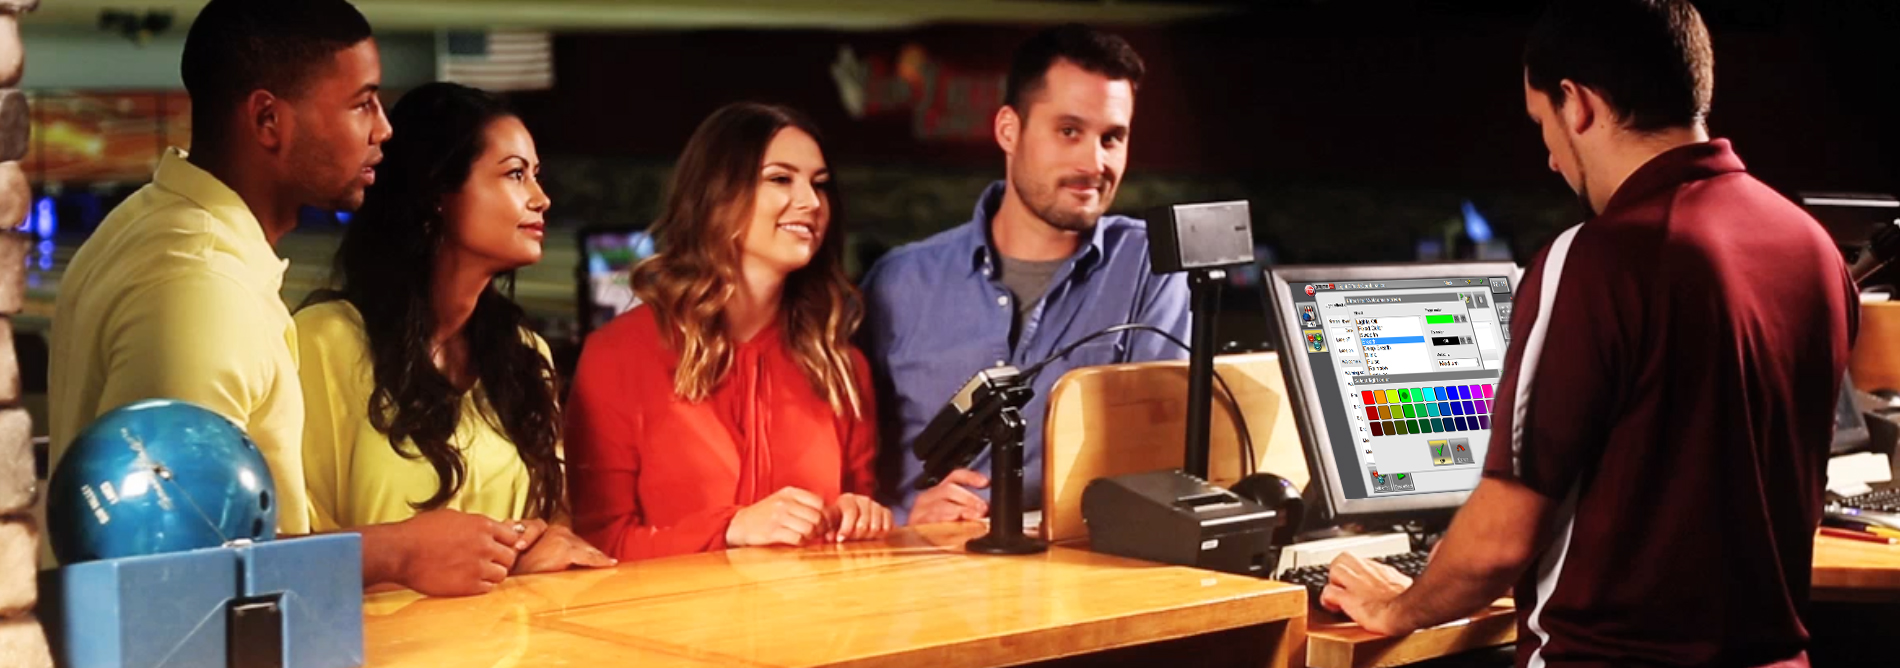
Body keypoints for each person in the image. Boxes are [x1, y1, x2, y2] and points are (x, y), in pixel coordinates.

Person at [1320, 2, 1857, 667]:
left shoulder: (1595, 260)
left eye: (1541, 122)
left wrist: (1398, 605)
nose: (1550, 159)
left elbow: (1501, 539)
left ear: (1577, 104)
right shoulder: (1812, 247)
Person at [48, 0, 532, 597]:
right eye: (361, 104)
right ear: (268, 120)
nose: (383, 129)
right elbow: (169, 567)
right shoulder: (202, 290)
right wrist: (398, 551)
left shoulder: (147, 223)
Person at [859, 24, 1190, 525]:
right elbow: (844, 471)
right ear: (1008, 130)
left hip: (1081, 563)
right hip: (920, 564)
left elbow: (1159, 457)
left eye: (1112, 138)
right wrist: (904, 521)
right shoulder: (898, 283)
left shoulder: (1150, 265)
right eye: (1069, 131)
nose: (1094, 162)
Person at [297, 82, 614, 582]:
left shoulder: (524, 353)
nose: (541, 198)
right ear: (437, 193)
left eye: (536, 176)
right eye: (515, 174)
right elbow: (277, 557)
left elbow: (551, 523)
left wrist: (545, 544)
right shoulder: (324, 342)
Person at [564, 102, 892, 560]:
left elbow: (856, 532)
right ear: (718, 196)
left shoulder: (842, 366)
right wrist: (730, 529)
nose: (812, 202)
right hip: (670, 608)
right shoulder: (616, 355)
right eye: (781, 179)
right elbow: (599, 547)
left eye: (819, 185)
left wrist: (859, 518)